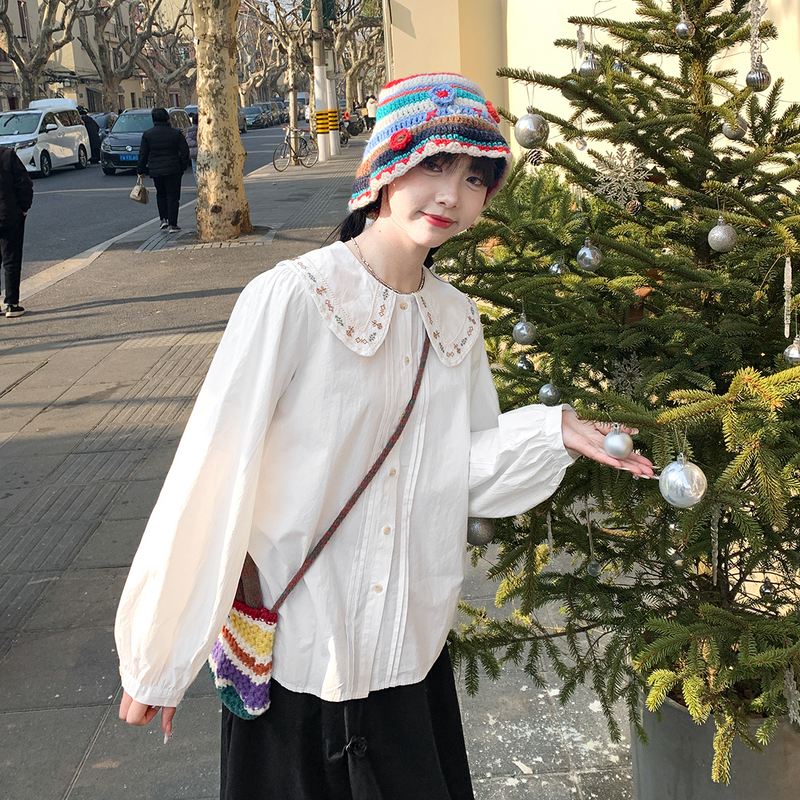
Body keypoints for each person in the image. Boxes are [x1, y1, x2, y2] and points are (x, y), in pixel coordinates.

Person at [115, 73, 654, 799]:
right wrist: (160, 653)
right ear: (384, 168)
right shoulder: (293, 298)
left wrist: (552, 433)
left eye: (473, 177)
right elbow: (213, 473)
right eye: (433, 164)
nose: (450, 195)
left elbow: (455, 470)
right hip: (299, 664)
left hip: (407, 667)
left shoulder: (456, 320)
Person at [136, 107, 190, 233]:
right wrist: (182, 166)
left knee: (161, 194)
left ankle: (163, 219)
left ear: (153, 119)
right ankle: (173, 224)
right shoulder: (176, 133)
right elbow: (184, 151)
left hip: (156, 169)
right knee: (173, 196)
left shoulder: (148, 134)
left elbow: (143, 153)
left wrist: (141, 169)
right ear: (167, 118)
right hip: (173, 168)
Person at [0, 145, 33, 318]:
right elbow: (24, 182)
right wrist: (24, 207)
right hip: (9, 214)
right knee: (11, 259)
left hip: (9, 213)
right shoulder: (8, 155)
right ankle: (11, 304)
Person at [185, 112, 199, 183]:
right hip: (205, 152)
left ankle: (198, 184)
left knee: (195, 170)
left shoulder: (189, 132)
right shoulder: (204, 130)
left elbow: (187, 142)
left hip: (193, 154)